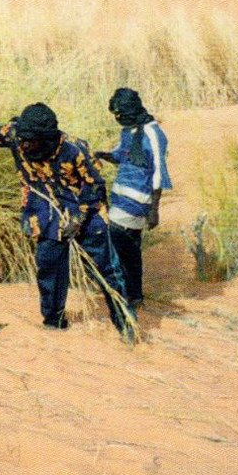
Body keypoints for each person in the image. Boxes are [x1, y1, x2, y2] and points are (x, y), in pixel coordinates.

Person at [0, 98, 133, 338]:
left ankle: (126, 325)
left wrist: (78, 218)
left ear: (46, 138)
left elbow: (95, 184)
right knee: (49, 266)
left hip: (87, 213)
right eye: (21, 139)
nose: (22, 145)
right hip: (46, 212)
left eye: (29, 142)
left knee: (106, 270)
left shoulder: (74, 149)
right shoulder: (15, 136)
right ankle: (54, 323)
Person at [92, 87, 171, 309]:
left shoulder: (154, 134)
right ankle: (134, 295)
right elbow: (121, 156)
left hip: (139, 200)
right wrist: (102, 155)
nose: (118, 119)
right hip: (120, 196)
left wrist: (155, 209)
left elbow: (158, 171)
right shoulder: (129, 130)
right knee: (131, 249)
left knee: (116, 241)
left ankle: (123, 294)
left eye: (120, 114)